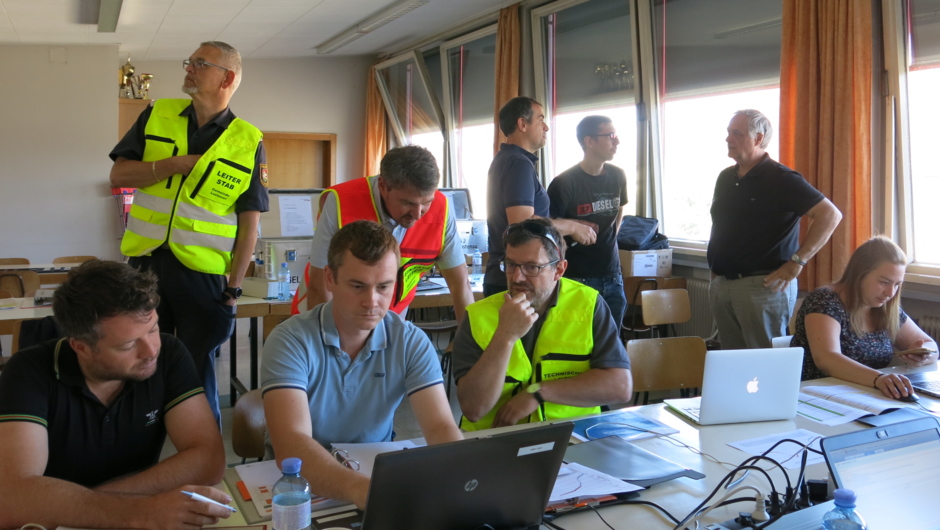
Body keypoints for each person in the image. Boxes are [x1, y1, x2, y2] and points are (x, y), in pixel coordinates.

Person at [0, 260, 230, 529]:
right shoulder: (29, 371)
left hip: (61, 518)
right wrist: (138, 511)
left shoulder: (168, 353)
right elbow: (13, 497)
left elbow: (208, 460)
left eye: (153, 328)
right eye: (129, 344)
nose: (151, 350)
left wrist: (81, 505)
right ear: (81, 347)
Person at [109, 41, 268, 426]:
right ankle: (136, 448)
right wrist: (172, 165)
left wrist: (233, 289)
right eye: (190, 61)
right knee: (139, 363)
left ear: (227, 77)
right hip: (145, 268)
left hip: (203, 278)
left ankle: (201, 455)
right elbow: (119, 175)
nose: (189, 67)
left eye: (200, 63)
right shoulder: (157, 114)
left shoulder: (248, 140)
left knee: (196, 372)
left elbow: (249, 224)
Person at [262, 221, 463, 509]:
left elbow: (441, 426)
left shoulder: (409, 341)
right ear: (329, 279)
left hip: (373, 478)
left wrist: (464, 478)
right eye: (358, 286)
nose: (372, 301)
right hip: (297, 486)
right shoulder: (290, 340)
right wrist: (365, 491)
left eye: (383, 287)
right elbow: (292, 444)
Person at [453, 218, 632, 431]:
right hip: (496, 441)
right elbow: (474, 409)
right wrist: (505, 336)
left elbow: (620, 387)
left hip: (573, 437)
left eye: (531, 267)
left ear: (559, 270)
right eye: (511, 264)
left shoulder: (588, 304)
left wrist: (538, 392)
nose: (517, 277)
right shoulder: (477, 315)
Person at [708, 109, 842, 350]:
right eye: (728, 132)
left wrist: (797, 262)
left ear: (758, 138)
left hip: (763, 286)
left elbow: (830, 215)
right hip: (723, 284)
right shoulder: (725, 178)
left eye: (736, 133)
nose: (728, 139)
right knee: (732, 364)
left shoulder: (782, 178)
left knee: (765, 365)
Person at [296, 145, 473, 323]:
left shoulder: (441, 208)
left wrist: (470, 343)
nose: (418, 214)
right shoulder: (341, 201)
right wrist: (324, 344)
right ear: (383, 186)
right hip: (327, 317)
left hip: (389, 322)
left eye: (426, 202)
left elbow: (461, 285)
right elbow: (320, 286)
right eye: (407, 202)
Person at [791, 236, 938, 399]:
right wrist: (879, 379)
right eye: (884, 282)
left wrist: (924, 356)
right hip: (817, 396)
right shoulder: (824, 300)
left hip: (866, 395)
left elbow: (931, 346)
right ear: (860, 274)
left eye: (897, 284)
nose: (890, 293)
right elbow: (826, 359)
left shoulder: (886, 307)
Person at [484, 96, 600, 297]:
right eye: (540, 119)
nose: (546, 127)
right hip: (516, 280)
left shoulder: (509, 160)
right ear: (522, 124)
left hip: (511, 276)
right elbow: (522, 224)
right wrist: (572, 227)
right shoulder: (517, 163)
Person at [547, 115, 629, 326]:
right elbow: (547, 230)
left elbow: (619, 211)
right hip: (577, 277)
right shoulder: (564, 183)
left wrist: (608, 238)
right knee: (580, 347)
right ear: (589, 141)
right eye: (610, 135)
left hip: (612, 275)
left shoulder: (618, 176)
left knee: (613, 347)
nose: (616, 141)